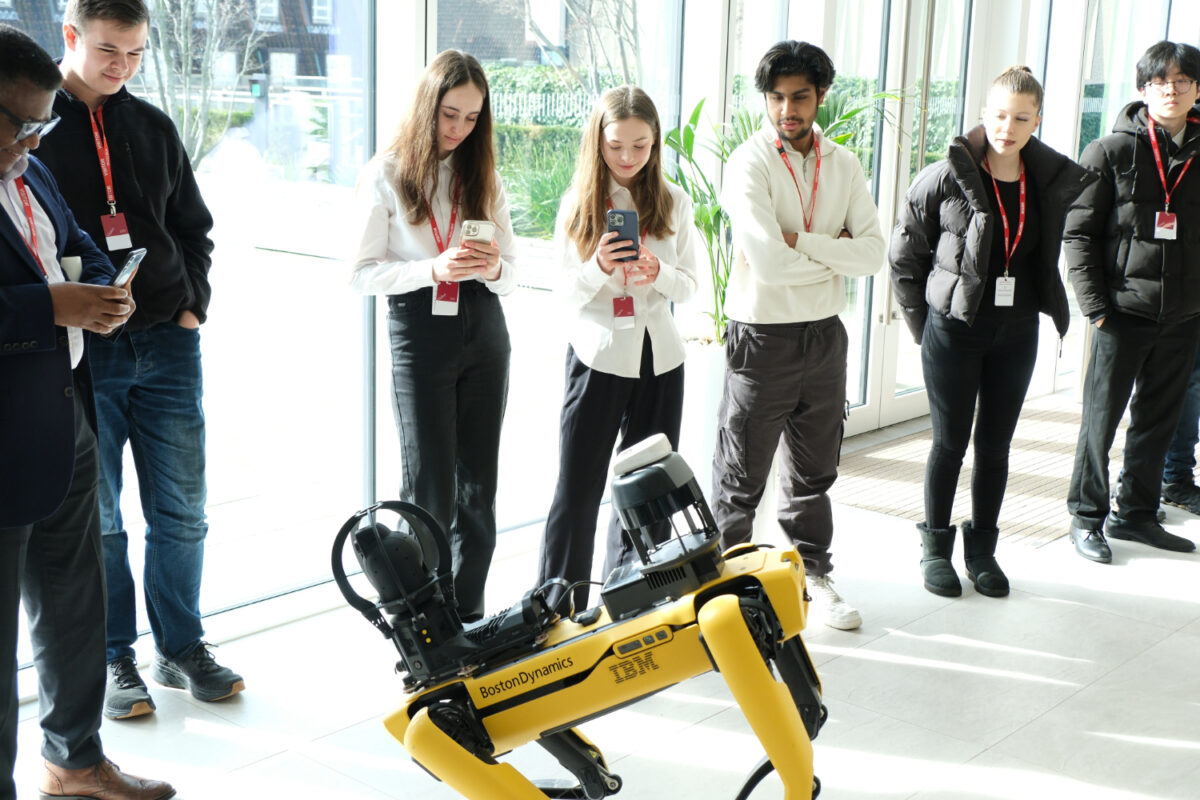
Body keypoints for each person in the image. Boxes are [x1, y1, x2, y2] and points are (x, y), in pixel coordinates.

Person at [35, 0, 242, 721]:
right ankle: (114, 652)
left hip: (168, 340)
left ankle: (181, 646)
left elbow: (194, 227)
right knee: (102, 518)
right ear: (70, 37)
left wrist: (192, 307)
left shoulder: (151, 125)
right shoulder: (32, 127)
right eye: (107, 51)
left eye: (134, 54)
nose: (121, 66)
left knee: (183, 510)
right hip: (87, 352)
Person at [0, 23, 174, 800]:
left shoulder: (30, 175)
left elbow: (80, 244)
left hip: (65, 418)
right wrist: (51, 305)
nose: (33, 143)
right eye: (21, 125)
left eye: (44, 125)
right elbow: (40, 293)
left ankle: (74, 764)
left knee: (76, 609)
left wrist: (107, 289)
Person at [889, 67, 1094, 598]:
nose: (1008, 126)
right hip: (954, 330)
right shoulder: (944, 175)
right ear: (984, 114)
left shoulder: (1046, 180)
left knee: (996, 446)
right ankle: (935, 550)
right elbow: (905, 256)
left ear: (1037, 121)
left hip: (1017, 330)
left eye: (1021, 117)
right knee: (950, 443)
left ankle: (982, 553)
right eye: (1000, 115)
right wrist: (926, 325)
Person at [715, 41, 885, 630]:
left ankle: (814, 576)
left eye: (801, 97)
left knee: (814, 473)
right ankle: (723, 596)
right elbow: (767, 263)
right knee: (741, 478)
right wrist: (833, 252)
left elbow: (872, 254)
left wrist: (803, 242)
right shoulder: (749, 163)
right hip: (762, 336)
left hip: (823, 337)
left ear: (820, 98)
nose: (788, 109)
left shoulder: (844, 165)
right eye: (777, 98)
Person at [350, 50, 516, 621]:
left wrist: (490, 266)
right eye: (450, 115)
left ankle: (469, 615)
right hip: (420, 327)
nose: (459, 129)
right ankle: (427, 619)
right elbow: (359, 273)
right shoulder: (386, 173)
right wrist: (432, 269)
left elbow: (514, 273)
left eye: (472, 118)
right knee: (429, 487)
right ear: (427, 106)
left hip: (485, 326)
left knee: (479, 486)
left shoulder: (482, 173)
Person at [535, 86, 700, 612]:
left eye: (641, 146)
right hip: (599, 356)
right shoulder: (579, 203)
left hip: (661, 358)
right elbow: (562, 294)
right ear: (597, 142)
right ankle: (555, 610)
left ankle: (630, 602)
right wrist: (599, 267)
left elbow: (691, 286)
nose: (628, 158)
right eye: (615, 146)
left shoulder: (673, 201)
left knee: (646, 494)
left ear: (656, 144)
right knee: (577, 491)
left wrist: (661, 272)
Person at [1063, 40, 1200, 562]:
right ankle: (1087, 517)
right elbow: (1076, 235)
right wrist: (1095, 306)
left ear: (1196, 89)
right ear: (1143, 89)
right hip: (1121, 312)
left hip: (1184, 315)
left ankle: (1136, 515)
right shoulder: (1110, 151)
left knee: (1158, 421)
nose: (1171, 89)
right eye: (1160, 81)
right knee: (1100, 419)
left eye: (1182, 80)